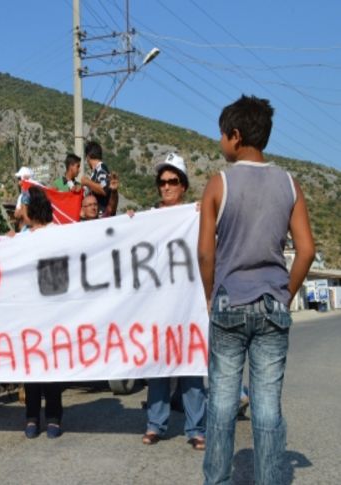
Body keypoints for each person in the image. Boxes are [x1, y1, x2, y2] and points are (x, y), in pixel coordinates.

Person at [199, 95, 314, 484]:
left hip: (230, 301)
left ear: (235, 135)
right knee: (267, 409)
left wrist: (210, 297)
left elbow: (204, 253)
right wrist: (285, 293)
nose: (220, 142)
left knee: (222, 405)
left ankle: (217, 480)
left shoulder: (219, 183)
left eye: (221, 135)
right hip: (272, 304)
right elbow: (307, 250)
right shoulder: (289, 184)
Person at [140, 153, 207, 450]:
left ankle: (196, 428)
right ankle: (156, 424)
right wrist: (128, 224)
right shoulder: (147, 219)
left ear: (183, 186)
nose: (166, 187)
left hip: (188, 304)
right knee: (158, 367)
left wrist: (206, 213)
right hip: (157, 305)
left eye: (172, 181)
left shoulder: (196, 216)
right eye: (161, 182)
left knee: (191, 367)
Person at [20, 187, 63, 439]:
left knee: (51, 365)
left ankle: (54, 416)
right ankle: (32, 416)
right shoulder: (23, 237)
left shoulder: (57, 233)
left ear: (30, 208)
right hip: (28, 312)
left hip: (52, 310)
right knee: (31, 367)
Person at [80, 141, 111, 215]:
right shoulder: (96, 171)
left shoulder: (101, 169)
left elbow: (104, 189)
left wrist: (87, 182)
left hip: (102, 215)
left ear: (88, 157)